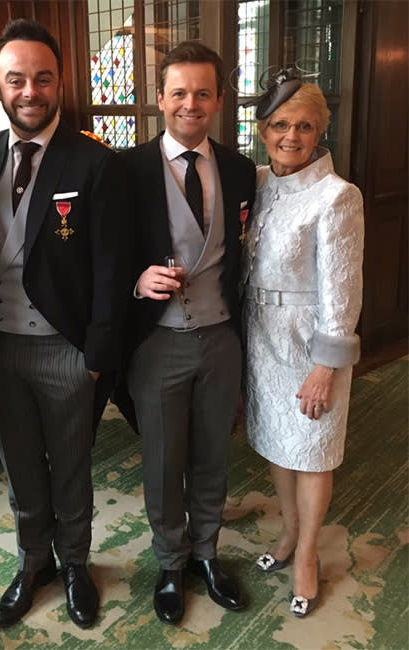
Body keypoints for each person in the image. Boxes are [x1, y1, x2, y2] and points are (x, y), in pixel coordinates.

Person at [0, 19, 130, 630]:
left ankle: (73, 565)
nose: (30, 91)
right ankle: (31, 561)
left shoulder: (94, 162)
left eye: (43, 78)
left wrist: (96, 355)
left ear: (60, 82)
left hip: (67, 350)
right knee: (18, 466)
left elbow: (112, 271)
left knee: (70, 467)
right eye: (17, 79)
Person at [115, 41, 256, 625]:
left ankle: (206, 554)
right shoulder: (124, 170)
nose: (190, 104)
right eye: (179, 93)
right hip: (158, 340)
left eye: (202, 93)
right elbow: (103, 257)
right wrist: (134, 279)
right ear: (159, 99)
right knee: (163, 459)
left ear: (219, 100)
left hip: (222, 337)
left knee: (212, 457)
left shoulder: (242, 168)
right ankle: (170, 563)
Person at [241, 69, 364, 618]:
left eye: (305, 127)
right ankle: (289, 534)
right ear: (263, 131)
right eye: (280, 125)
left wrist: (325, 366)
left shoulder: (338, 196)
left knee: (312, 451)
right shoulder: (261, 183)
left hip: (307, 344)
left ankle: (308, 553)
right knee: (277, 442)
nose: (292, 136)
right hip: (260, 339)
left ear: (321, 133)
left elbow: (343, 288)